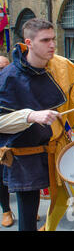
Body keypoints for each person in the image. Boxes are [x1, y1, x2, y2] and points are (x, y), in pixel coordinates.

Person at [0, 18, 74, 231]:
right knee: (28, 214)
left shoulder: (60, 66)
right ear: (29, 42)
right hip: (25, 151)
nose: (52, 45)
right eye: (45, 40)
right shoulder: (9, 76)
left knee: (65, 197)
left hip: (57, 146)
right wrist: (30, 116)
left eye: (53, 39)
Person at [0, 55, 13, 227]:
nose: (3, 71)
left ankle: (28, 211)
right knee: (1, 178)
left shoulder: (16, 84)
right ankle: (6, 211)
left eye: (5, 67)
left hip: (18, 140)